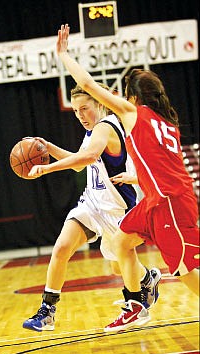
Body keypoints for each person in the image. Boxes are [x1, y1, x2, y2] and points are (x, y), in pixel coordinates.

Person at [52, 24, 200, 332]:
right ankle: (136, 305)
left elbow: (86, 83)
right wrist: (137, 179)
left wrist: (64, 55)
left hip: (170, 203)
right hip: (161, 199)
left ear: (133, 96)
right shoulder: (166, 122)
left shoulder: (134, 113)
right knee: (121, 241)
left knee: (185, 270)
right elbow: (163, 165)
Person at [22, 82, 161, 332]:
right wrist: (47, 147)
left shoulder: (107, 127)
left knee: (119, 266)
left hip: (118, 211)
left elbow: (86, 158)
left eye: (84, 108)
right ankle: (47, 311)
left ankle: (146, 280)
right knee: (62, 247)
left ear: (100, 102)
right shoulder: (93, 131)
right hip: (91, 204)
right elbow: (78, 164)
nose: (80, 116)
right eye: (76, 111)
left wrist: (47, 168)